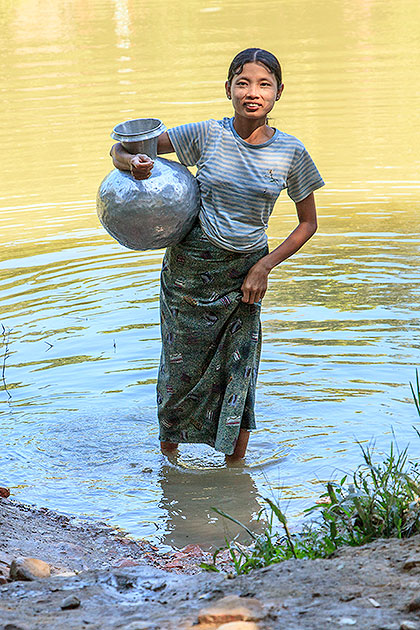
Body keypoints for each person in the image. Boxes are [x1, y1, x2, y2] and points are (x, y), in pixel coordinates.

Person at [110, 48, 324, 462]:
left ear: (279, 92)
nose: (252, 92)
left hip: (245, 276)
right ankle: (168, 463)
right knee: (180, 372)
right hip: (190, 273)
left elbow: (307, 223)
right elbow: (124, 148)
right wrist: (132, 162)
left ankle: (234, 472)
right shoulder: (207, 134)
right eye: (243, 83)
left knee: (238, 374)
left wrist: (264, 266)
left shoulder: (291, 153)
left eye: (264, 84)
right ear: (228, 89)